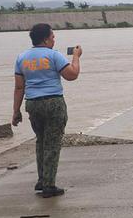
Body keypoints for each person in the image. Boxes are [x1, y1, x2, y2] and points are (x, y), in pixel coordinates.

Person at [12, 23, 82, 198]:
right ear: (45, 39)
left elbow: (19, 87)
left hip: (32, 104)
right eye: (52, 37)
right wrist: (76, 56)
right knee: (52, 144)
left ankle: (42, 179)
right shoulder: (54, 55)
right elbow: (72, 75)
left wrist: (16, 111)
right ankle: (49, 185)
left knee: (41, 141)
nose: (54, 39)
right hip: (53, 103)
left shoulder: (22, 58)